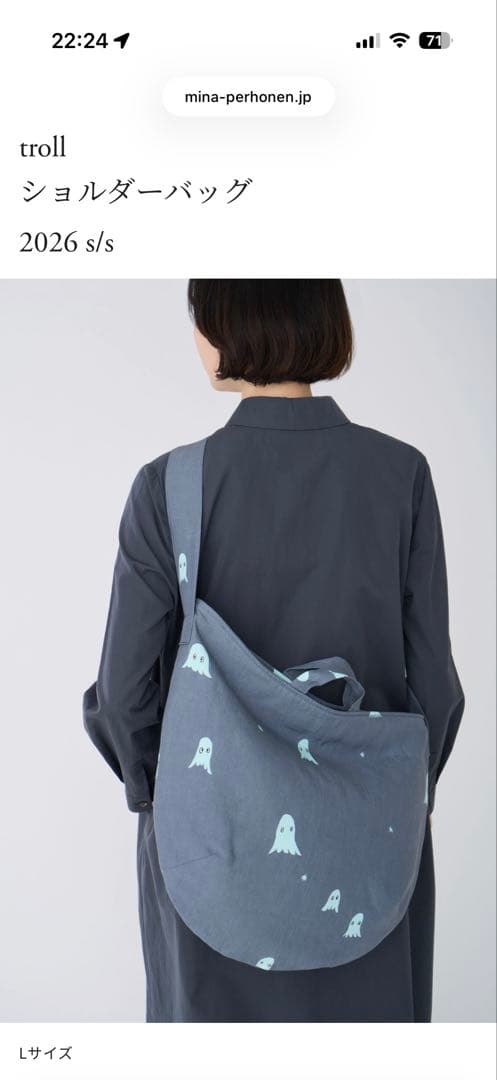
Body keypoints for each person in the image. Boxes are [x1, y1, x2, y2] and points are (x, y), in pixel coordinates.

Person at [83, 279, 464, 1022]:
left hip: (208, 852)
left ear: (223, 325)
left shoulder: (167, 487)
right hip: (367, 852)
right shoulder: (401, 476)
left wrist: (161, 799)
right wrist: (395, 794)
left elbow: (125, 695)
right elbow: (435, 690)